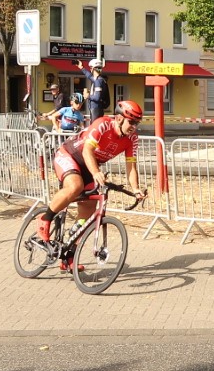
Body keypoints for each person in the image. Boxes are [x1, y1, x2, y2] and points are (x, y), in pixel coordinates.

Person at [36, 99, 145, 259]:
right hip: (70, 154)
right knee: (75, 186)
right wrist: (95, 172)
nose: (134, 127)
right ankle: (45, 220)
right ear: (119, 118)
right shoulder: (103, 124)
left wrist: (135, 189)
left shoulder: (132, 138)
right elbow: (87, 150)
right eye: (132, 122)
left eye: (137, 123)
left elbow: (131, 166)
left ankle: (69, 254)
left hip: (89, 164)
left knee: (89, 207)